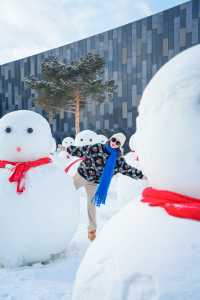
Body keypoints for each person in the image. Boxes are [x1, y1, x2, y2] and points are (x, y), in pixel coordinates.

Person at [66, 133, 145, 241]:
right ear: (110, 138)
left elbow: (128, 170)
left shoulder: (118, 160)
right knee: (66, 192)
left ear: (119, 146)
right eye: (114, 140)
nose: (114, 143)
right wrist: (69, 149)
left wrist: (142, 175)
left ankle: (92, 231)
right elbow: (81, 150)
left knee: (92, 205)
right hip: (81, 176)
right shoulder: (97, 147)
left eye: (118, 143)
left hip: (93, 183)